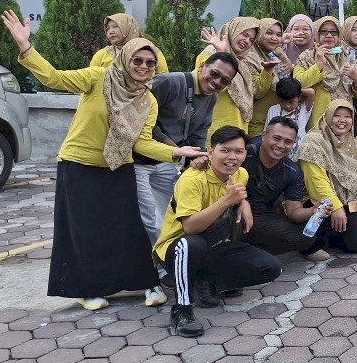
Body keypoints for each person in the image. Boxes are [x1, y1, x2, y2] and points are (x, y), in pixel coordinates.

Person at [2, 11, 173, 311]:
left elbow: (142, 142)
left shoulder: (147, 100)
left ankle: (147, 283)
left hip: (119, 164)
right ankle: (88, 289)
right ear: (126, 60)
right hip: (79, 163)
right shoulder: (99, 77)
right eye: (138, 60)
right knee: (84, 229)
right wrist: (26, 47)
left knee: (128, 227)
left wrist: (179, 153)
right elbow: (55, 78)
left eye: (150, 62)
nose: (144, 66)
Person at [155, 126, 282, 337]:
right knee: (191, 243)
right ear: (211, 152)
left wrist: (243, 203)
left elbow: (238, 193)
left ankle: (207, 282)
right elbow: (190, 228)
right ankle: (182, 310)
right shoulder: (192, 179)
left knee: (271, 268)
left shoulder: (241, 173)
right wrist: (228, 201)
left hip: (213, 245)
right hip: (177, 250)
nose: (232, 157)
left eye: (238, 151)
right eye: (225, 150)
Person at [132, 53, 238, 304]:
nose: (217, 82)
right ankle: (155, 276)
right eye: (215, 74)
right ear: (202, 66)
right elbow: (142, 118)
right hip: (139, 161)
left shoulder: (210, 98)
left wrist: (198, 158)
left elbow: (200, 132)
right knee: (150, 219)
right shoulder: (169, 83)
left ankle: (173, 268)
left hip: (169, 163)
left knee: (172, 217)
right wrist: (175, 148)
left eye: (225, 81)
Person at [296, 100, 357, 254]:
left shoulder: (348, 142)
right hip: (317, 203)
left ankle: (336, 236)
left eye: (347, 116)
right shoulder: (314, 141)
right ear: (328, 116)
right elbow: (317, 182)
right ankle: (316, 242)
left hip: (346, 201)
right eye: (337, 115)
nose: (342, 120)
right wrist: (336, 207)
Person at [241, 117, 324, 259]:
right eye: (276, 138)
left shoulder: (292, 171)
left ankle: (256, 250)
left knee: (307, 236)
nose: (280, 145)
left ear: (293, 144)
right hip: (233, 211)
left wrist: (313, 210)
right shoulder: (244, 153)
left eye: (288, 142)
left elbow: (294, 212)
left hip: (263, 217)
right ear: (263, 136)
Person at [199, 16, 269, 141]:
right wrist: (221, 52)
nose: (246, 41)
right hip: (216, 129)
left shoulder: (242, 62)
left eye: (251, 40)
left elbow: (254, 91)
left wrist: (267, 71)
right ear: (232, 31)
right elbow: (209, 85)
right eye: (244, 34)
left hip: (238, 129)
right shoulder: (210, 53)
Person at [297, 17, 357, 129]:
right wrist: (318, 65)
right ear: (316, 34)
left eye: (333, 32)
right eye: (324, 32)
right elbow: (299, 84)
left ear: (339, 35)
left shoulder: (348, 57)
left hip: (344, 121)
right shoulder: (306, 57)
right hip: (318, 119)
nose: (329, 36)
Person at [91, 12, 169, 73]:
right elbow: (91, 81)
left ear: (129, 28)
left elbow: (163, 80)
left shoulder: (151, 52)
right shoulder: (102, 54)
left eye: (115, 26)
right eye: (107, 29)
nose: (111, 31)